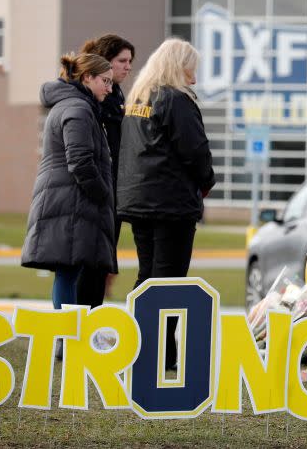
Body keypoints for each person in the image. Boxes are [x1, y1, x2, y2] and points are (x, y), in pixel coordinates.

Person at [117, 38, 214, 370]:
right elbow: (195, 150)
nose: (195, 79)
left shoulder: (138, 99)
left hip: (138, 200)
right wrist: (206, 182)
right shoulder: (175, 100)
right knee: (169, 280)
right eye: (191, 70)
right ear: (178, 66)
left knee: (147, 276)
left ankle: (141, 348)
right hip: (170, 203)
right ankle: (164, 355)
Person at [21, 53, 116, 315]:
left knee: (68, 273)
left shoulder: (75, 106)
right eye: (105, 81)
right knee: (67, 273)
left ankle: (67, 338)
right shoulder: (78, 109)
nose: (110, 88)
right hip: (71, 204)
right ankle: (65, 339)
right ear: (87, 77)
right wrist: (103, 194)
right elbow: (81, 162)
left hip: (69, 202)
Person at [77, 34, 135, 307]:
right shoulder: (94, 101)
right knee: (91, 266)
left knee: (102, 264)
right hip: (100, 193)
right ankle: (77, 332)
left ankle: (91, 325)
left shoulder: (117, 95)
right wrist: (102, 190)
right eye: (121, 60)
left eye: (130, 61)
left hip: (112, 191)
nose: (128, 67)